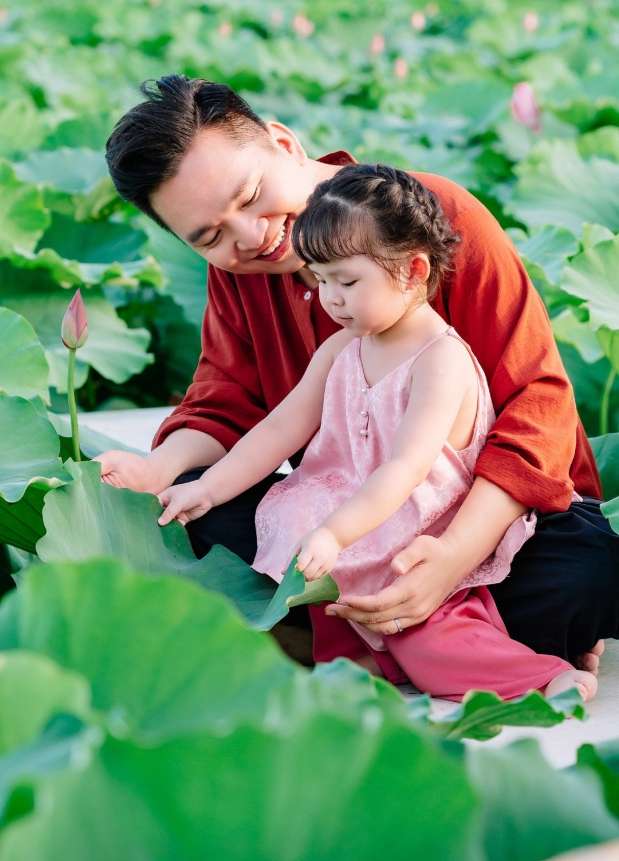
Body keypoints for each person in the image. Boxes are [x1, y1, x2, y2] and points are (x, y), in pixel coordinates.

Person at [100, 74, 618, 673]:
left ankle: (354, 634)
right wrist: (156, 470)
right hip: (345, 521)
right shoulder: (238, 272)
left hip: (489, 516)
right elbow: (228, 404)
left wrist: (452, 556)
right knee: (194, 506)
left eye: (249, 196)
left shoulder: (434, 218)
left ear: (285, 144)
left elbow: (538, 403)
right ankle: (446, 641)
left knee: (592, 573)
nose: (252, 236)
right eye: (211, 236)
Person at [156, 165, 596, 702]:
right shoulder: (344, 345)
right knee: (301, 565)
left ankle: (539, 678)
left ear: (413, 270)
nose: (329, 299)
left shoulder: (440, 360)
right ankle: (358, 659)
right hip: (350, 508)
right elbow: (280, 428)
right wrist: (207, 488)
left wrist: (335, 534)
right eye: (320, 280)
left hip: (425, 524)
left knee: (429, 636)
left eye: (346, 282)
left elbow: (405, 470)